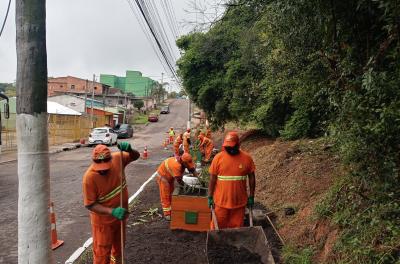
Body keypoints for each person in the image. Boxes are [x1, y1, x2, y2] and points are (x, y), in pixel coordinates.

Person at [82, 143, 140, 264]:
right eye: (100, 168)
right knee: (102, 254)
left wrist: (130, 149)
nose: (103, 170)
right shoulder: (89, 178)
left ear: (111, 160)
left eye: (106, 167)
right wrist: (112, 211)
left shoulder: (118, 158)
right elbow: (90, 204)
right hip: (103, 224)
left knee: (119, 249)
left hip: (120, 219)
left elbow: (135, 156)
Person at [207, 132, 256, 229]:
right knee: (217, 228)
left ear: (238, 145)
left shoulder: (247, 158)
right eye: (227, 147)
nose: (230, 149)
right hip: (221, 202)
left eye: (232, 147)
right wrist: (210, 196)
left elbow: (252, 177)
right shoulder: (218, 158)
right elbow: (212, 179)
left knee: (236, 229)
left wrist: (251, 196)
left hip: (239, 203)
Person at [156, 153, 198, 220]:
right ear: (183, 162)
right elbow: (179, 181)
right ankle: (167, 213)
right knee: (165, 195)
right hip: (163, 176)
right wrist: (188, 188)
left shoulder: (185, 161)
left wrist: (199, 179)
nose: (188, 166)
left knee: (171, 192)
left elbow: (192, 169)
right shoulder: (176, 166)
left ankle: (172, 208)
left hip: (170, 175)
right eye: (187, 164)